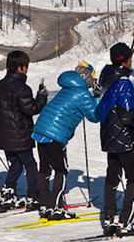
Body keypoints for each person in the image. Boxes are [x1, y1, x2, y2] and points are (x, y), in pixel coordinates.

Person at [97, 42, 134, 236]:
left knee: (113, 175)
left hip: (110, 136)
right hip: (125, 138)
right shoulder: (123, 83)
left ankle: (109, 216)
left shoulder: (108, 80)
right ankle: (125, 221)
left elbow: (115, 108)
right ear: (125, 60)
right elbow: (127, 115)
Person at [32, 62, 100, 219]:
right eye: (92, 76)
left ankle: (44, 202)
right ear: (85, 77)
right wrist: (96, 96)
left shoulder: (68, 88)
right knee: (61, 170)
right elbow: (95, 116)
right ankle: (55, 207)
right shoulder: (82, 93)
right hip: (55, 134)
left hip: (41, 129)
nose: (93, 80)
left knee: (45, 168)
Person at [0, 50, 49, 211]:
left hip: (3, 135)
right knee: (30, 164)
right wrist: (41, 97)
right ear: (21, 68)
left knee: (15, 163)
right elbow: (31, 109)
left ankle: (8, 192)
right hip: (20, 135)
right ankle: (33, 196)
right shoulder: (22, 88)